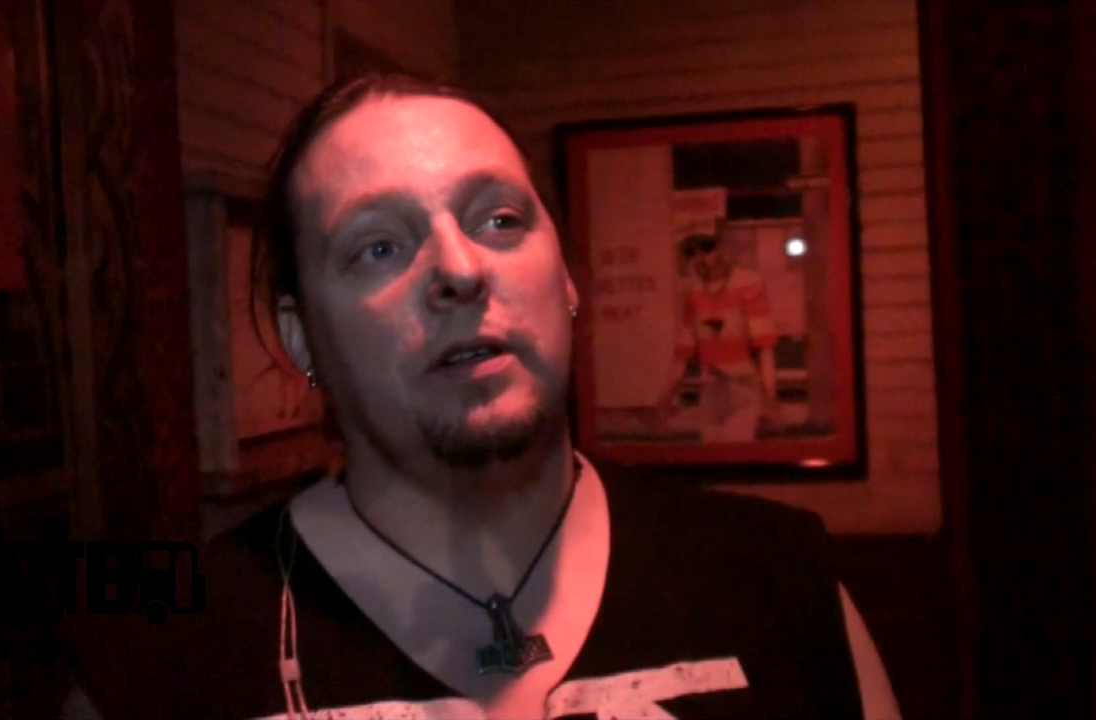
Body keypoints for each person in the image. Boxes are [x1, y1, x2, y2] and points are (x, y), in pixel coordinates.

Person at [61, 73, 900, 720]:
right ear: (301, 338)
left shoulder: (776, 576)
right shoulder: (161, 646)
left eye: (499, 220)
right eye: (379, 247)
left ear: (565, 279)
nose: (460, 270)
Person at [663, 231, 783, 442]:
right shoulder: (693, 291)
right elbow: (682, 353)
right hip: (711, 386)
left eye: (706, 249)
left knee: (735, 447)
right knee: (712, 450)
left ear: (720, 249)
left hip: (742, 385)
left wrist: (769, 399)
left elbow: (765, 348)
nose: (699, 258)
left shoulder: (747, 283)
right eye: (691, 253)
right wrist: (664, 398)